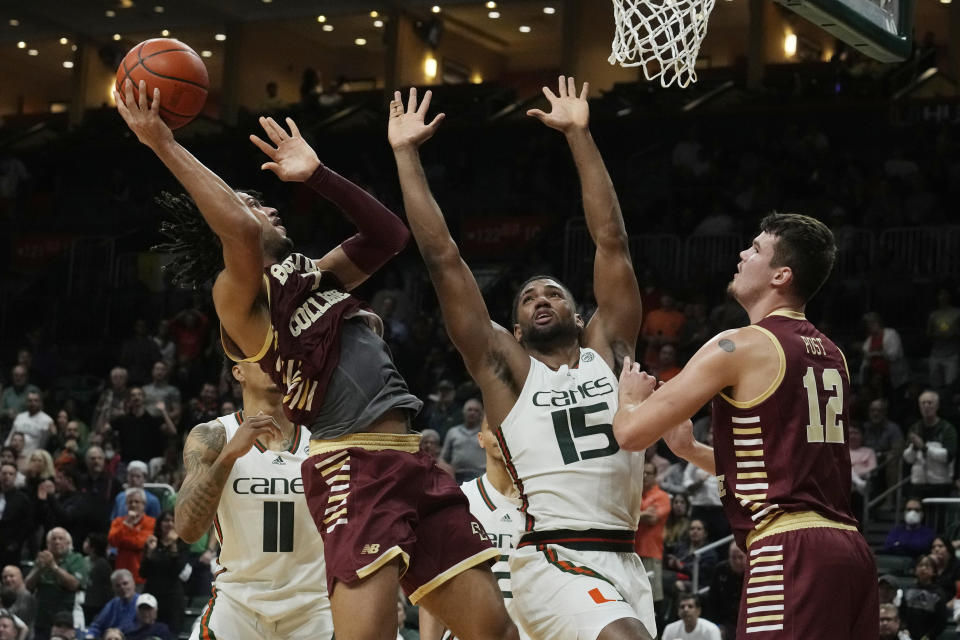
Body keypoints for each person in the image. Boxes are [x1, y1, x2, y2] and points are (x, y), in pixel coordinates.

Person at [117, 79, 514, 640]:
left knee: (493, 630)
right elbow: (234, 225)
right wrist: (163, 143)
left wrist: (318, 175)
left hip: (409, 457)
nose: (266, 206)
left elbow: (388, 235)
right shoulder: (239, 299)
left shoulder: (315, 276)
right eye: (252, 202)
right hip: (352, 465)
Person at [389, 77, 655, 638]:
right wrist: (406, 154)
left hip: (624, 560)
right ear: (512, 328)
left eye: (554, 292)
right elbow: (443, 259)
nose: (541, 298)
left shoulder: (608, 354)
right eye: (529, 296)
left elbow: (611, 242)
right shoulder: (507, 372)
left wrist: (580, 136)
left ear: (580, 317)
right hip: (552, 557)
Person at [612, 213, 877, 638]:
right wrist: (690, 452)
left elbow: (630, 434)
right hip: (849, 551)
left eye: (755, 249)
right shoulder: (833, 354)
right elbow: (785, 465)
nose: (742, 253)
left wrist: (628, 399)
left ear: (781, 275)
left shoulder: (738, 344)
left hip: (788, 550)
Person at [175, 360, 334, 640]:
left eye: (281, 354)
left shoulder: (327, 435)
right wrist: (228, 456)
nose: (276, 362)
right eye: (262, 356)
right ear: (238, 371)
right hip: (237, 605)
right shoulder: (213, 435)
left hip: (314, 606)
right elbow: (188, 529)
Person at [420, 419, 530, 640]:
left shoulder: (545, 503)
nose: (501, 434)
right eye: (494, 428)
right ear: (480, 439)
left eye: (509, 426)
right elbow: (436, 583)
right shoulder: (459, 499)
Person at [24, 528, 87, 640]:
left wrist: (54, 567)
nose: (57, 542)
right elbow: (28, 586)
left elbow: (73, 585)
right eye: (53, 539)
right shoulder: (42, 559)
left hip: (66, 621)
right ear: (48, 544)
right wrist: (39, 569)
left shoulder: (77, 559)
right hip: (42, 619)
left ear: (68, 543)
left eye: (60, 538)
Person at [140, 511, 189, 633]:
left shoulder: (182, 544)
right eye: (166, 520)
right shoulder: (152, 542)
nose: (170, 524)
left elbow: (177, 571)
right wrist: (150, 553)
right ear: (160, 523)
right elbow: (143, 572)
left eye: (173, 521)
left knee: (171, 634)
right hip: (152, 594)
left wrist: (173, 547)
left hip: (172, 597)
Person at [634, 461, 671, 623]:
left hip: (651, 552)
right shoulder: (634, 494)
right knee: (634, 598)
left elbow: (652, 518)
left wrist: (633, 514)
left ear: (655, 476)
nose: (644, 476)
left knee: (653, 598)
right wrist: (643, 514)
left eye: (648, 473)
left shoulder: (662, 496)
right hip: (631, 552)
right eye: (642, 472)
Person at [903, 390, 957, 499]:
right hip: (918, 483)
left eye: (930, 403)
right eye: (923, 403)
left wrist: (924, 448)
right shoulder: (915, 428)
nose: (926, 406)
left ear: (937, 406)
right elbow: (908, 459)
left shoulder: (947, 428)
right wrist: (914, 447)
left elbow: (948, 456)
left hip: (940, 484)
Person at [108, 488, 155, 584]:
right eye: (130, 502)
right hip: (121, 575)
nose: (133, 505)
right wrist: (127, 523)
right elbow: (112, 541)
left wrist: (124, 539)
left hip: (141, 576)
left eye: (137, 502)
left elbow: (139, 543)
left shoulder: (151, 522)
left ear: (144, 504)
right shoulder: (118, 522)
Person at [899, 555, 947, 640]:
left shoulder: (938, 593)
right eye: (920, 565)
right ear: (915, 570)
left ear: (934, 572)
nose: (923, 568)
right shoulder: (908, 589)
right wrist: (904, 629)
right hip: (907, 636)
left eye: (927, 566)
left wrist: (928, 636)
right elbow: (902, 613)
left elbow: (941, 621)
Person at [82, 570, 139, 639]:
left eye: (125, 583)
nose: (122, 588)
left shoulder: (142, 603)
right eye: (118, 586)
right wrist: (90, 635)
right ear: (113, 588)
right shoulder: (113, 604)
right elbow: (97, 626)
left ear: (133, 583)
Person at [440, 398, 486, 483]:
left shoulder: (486, 433)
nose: (472, 413)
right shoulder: (453, 432)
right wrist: (446, 469)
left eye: (476, 410)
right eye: (470, 410)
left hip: (481, 477)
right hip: (457, 477)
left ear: (481, 414)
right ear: (463, 412)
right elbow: (442, 458)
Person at [705, 542, 745, 640]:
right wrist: (717, 625)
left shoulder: (757, 570)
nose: (737, 561)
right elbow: (713, 600)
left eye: (740, 557)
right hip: (726, 621)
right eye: (733, 557)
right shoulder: (720, 569)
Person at [0, 463, 31, 569]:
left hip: (9, 549)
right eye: (4, 473)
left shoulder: (22, 499)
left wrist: (15, 544)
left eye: (10, 474)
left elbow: (27, 525)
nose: (7, 476)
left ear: (15, 476)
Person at [927, 288, 960, 390]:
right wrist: (937, 335)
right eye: (940, 294)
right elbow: (928, 334)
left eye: (945, 294)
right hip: (936, 354)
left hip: (952, 355)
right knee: (935, 385)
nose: (943, 297)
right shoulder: (933, 315)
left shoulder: (957, 313)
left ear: (950, 296)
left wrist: (953, 334)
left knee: (951, 385)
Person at [1, 566, 35, 633]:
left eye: (11, 576)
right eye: (5, 577)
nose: (8, 579)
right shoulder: (7, 595)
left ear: (20, 577)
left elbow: (17, 620)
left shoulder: (26, 596)